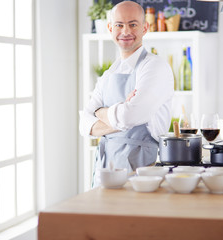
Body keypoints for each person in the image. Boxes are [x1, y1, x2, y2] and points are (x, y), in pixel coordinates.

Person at [79, 1, 174, 186]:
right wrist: (122, 112)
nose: (125, 32)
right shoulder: (108, 74)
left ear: (145, 27)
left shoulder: (155, 66)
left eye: (133, 24)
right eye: (119, 25)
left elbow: (130, 115)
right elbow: (85, 125)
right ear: (110, 28)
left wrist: (101, 111)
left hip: (142, 171)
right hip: (105, 168)